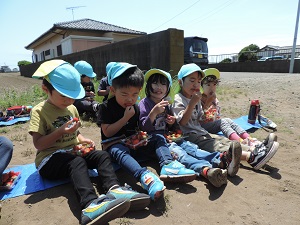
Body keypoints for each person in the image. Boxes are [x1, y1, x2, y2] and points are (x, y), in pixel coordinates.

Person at [28, 59, 151, 225]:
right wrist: (61, 131)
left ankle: (114, 190)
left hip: (72, 151)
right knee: (77, 162)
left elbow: (75, 133)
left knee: (101, 155)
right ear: (45, 89)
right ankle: (90, 205)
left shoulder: (71, 108)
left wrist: (83, 139)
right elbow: (39, 144)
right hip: (49, 160)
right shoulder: (39, 111)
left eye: (72, 96)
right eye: (64, 96)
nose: (69, 101)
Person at [97, 62, 197, 201]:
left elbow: (140, 129)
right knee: (118, 149)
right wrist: (125, 118)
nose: (130, 99)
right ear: (113, 90)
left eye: (135, 94)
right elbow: (107, 133)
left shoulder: (135, 107)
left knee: (157, 136)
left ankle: (168, 165)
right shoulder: (106, 107)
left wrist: (142, 137)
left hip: (133, 144)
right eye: (124, 94)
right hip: (114, 145)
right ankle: (145, 176)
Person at [138, 68, 243, 187]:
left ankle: (220, 160)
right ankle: (206, 170)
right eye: (155, 83)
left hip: (171, 138)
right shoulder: (144, 103)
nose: (159, 87)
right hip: (159, 142)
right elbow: (143, 127)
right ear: (148, 85)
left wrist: (171, 122)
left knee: (192, 148)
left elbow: (171, 126)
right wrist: (153, 112)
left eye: (163, 84)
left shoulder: (165, 104)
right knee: (181, 154)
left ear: (168, 88)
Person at [171, 63, 279, 171]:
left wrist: (205, 105)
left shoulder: (195, 98)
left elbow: (199, 118)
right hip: (189, 136)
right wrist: (192, 104)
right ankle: (251, 158)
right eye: (192, 80)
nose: (196, 84)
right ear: (181, 82)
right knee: (216, 147)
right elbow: (182, 122)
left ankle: (254, 150)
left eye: (199, 81)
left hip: (201, 131)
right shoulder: (178, 99)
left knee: (222, 140)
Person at [200, 68, 273, 147]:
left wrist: (214, 104)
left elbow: (217, 114)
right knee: (223, 122)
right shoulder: (199, 99)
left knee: (227, 120)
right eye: (208, 85)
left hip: (212, 124)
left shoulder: (214, 99)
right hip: (202, 127)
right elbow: (199, 118)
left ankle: (250, 139)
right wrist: (207, 103)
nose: (212, 88)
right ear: (201, 86)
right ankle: (241, 142)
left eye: (214, 85)